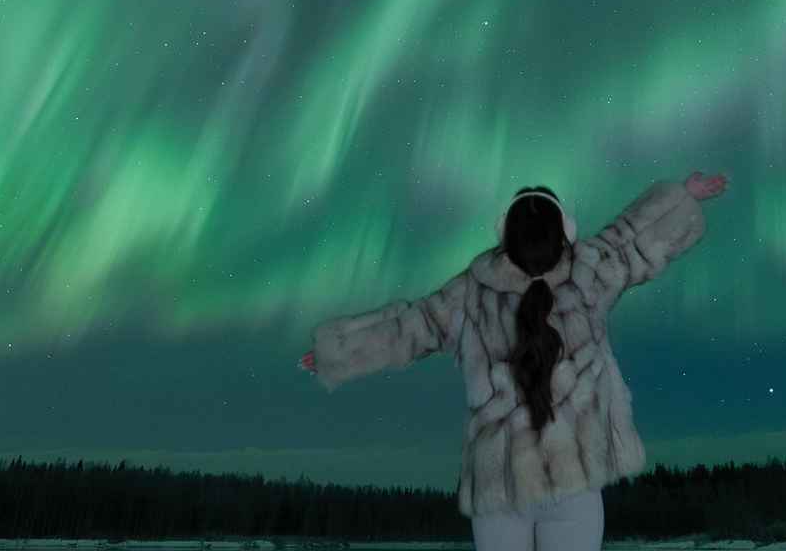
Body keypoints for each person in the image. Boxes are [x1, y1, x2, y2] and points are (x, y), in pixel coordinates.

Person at [299, 170, 729, 550]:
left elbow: (411, 328)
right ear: (565, 233)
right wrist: (684, 195)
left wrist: (334, 353)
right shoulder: (590, 272)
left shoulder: (471, 292)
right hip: (574, 480)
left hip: (499, 486)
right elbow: (632, 240)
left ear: (505, 238)